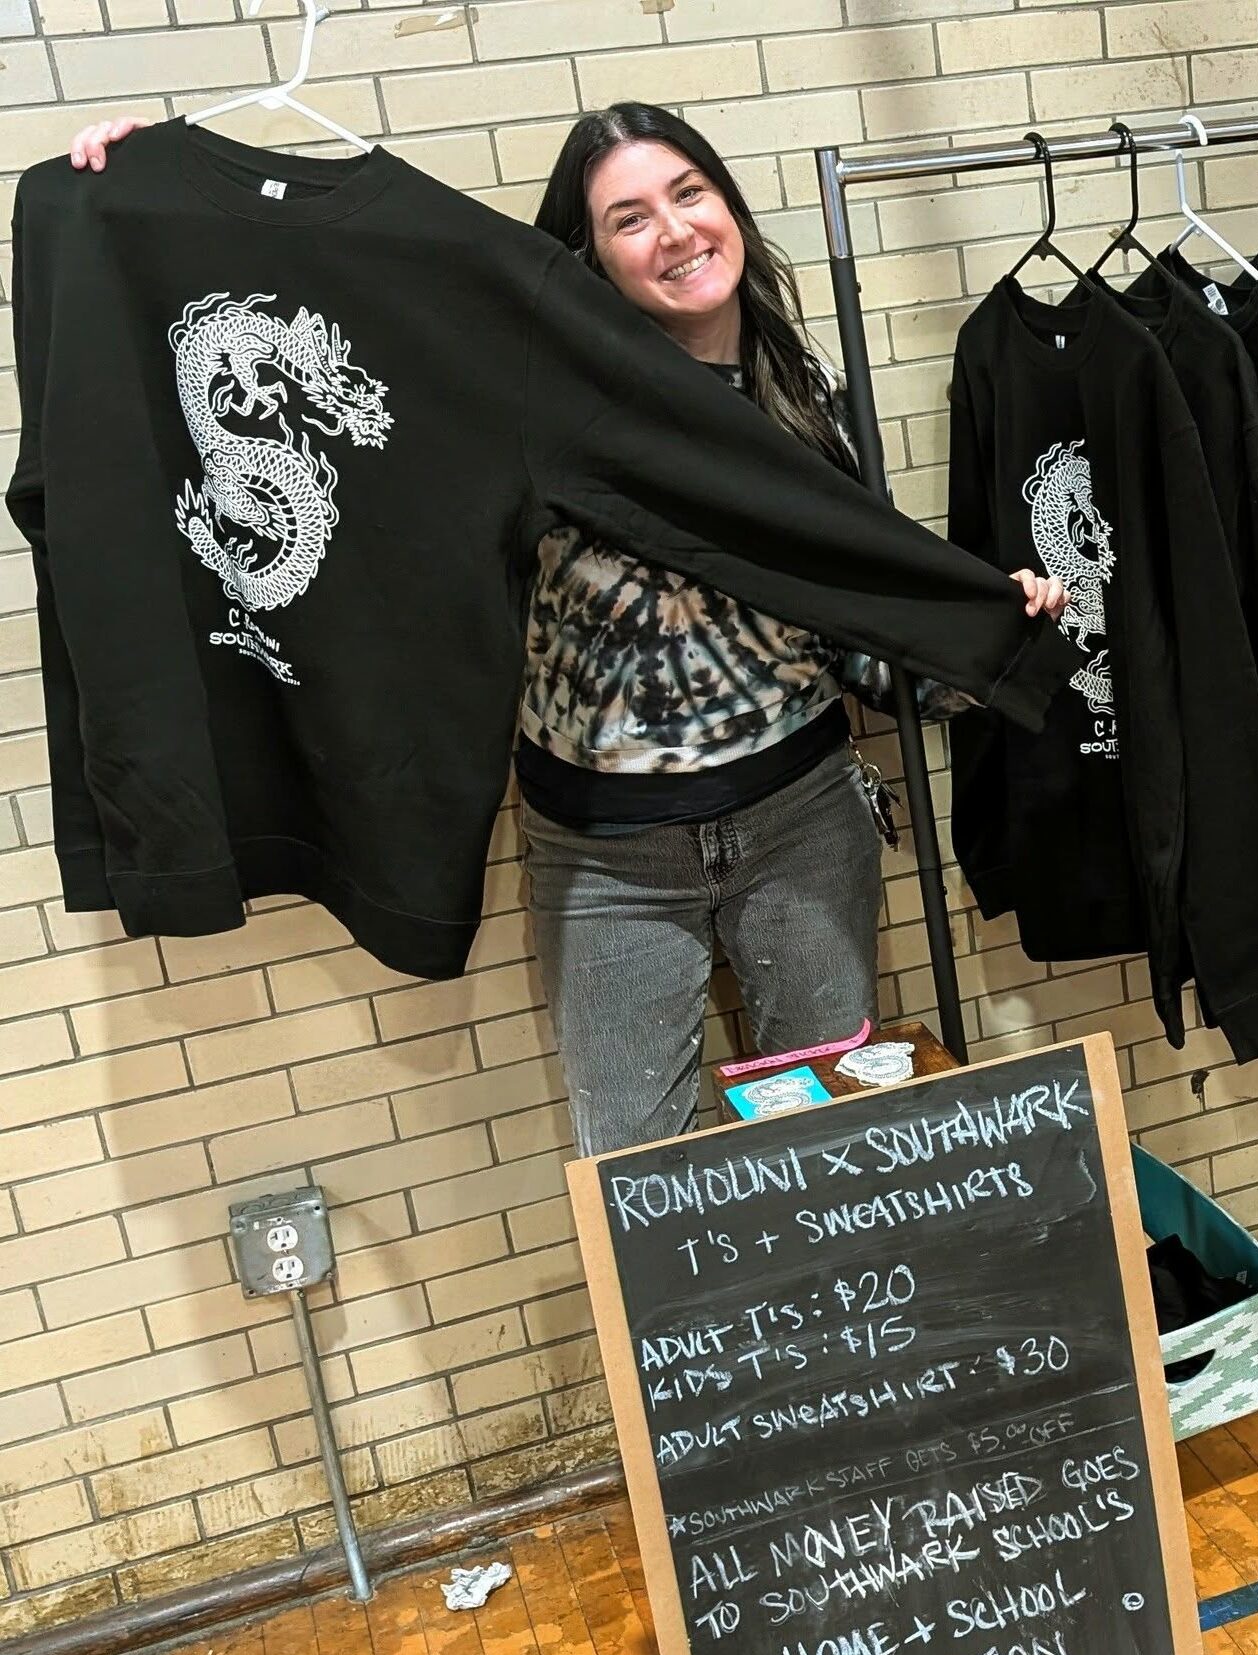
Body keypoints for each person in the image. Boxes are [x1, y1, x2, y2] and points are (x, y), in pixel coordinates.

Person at [68, 105, 1069, 1159]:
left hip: (802, 823)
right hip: (606, 857)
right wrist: (141, 189)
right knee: (633, 1166)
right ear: (586, 257)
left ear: (729, 205)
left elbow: (860, 628)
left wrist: (983, 636)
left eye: (689, 194)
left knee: (831, 1136)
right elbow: (331, 280)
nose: (675, 232)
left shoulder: (803, 401)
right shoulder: (521, 400)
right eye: (629, 218)